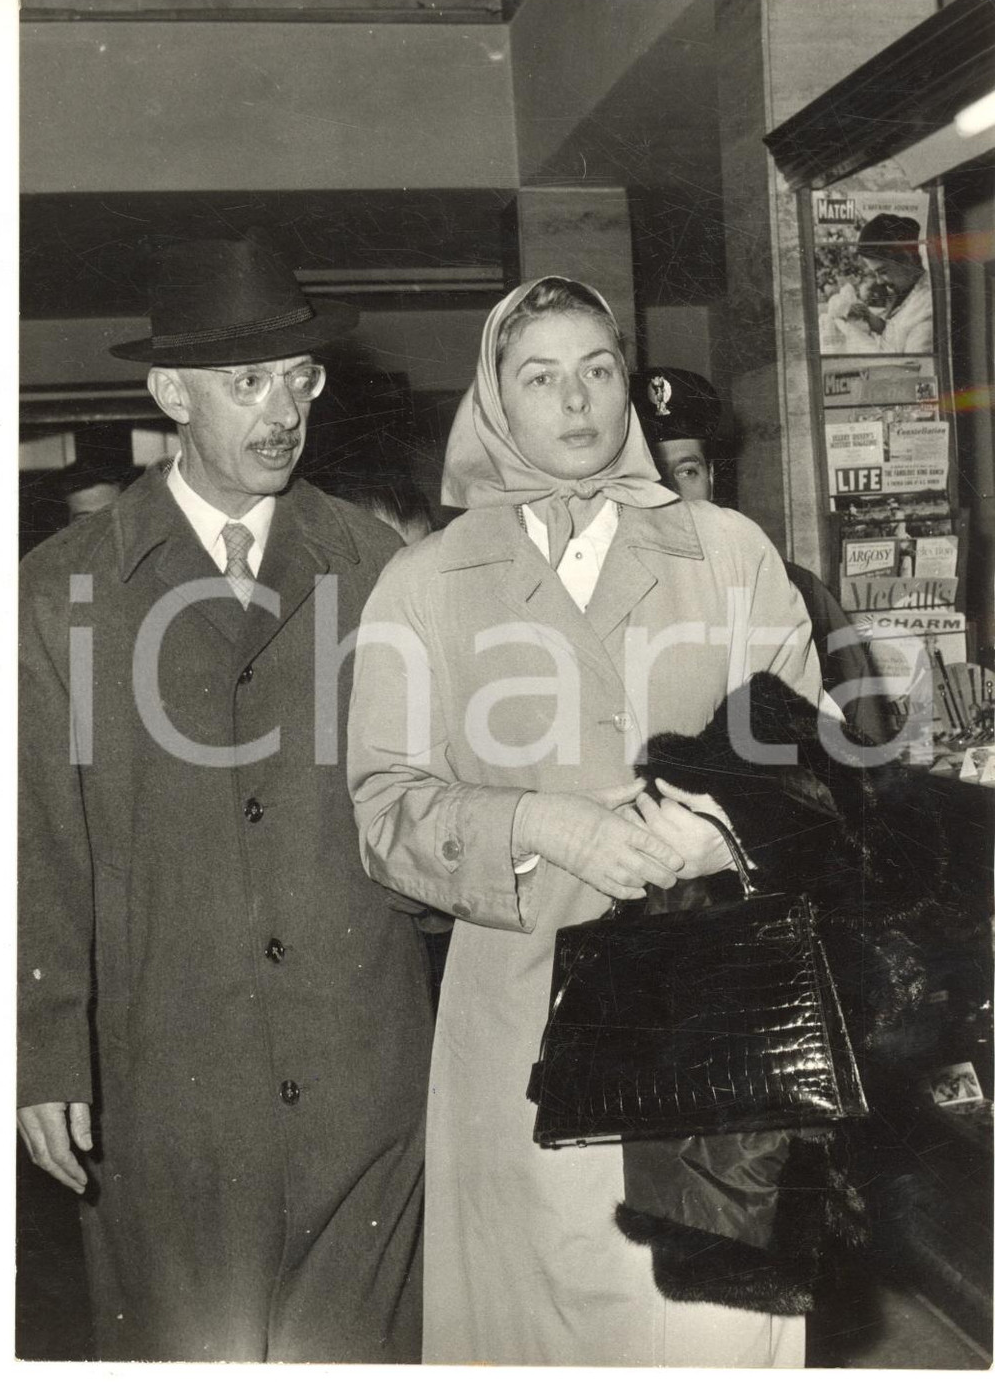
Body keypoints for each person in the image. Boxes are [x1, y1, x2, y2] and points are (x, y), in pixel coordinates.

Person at [347, 276, 826, 1366]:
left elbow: (822, 756)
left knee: (707, 1323)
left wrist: (726, 833)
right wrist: (540, 824)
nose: (575, 401)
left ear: (626, 386)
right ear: (494, 400)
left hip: (717, 1009)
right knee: (542, 1319)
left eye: (597, 370)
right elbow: (384, 808)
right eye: (540, 376)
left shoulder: (728, 551)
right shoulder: (424, 583)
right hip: (523, 1009)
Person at [17, 233, 433, 1363]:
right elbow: (35, 839)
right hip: (164, 1082)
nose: (283, 411)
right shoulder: (61, 589)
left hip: (364, 1067)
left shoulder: (377, 566)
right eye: (247, 381)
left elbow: (428, 790)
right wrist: (41, 1050)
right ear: (170, 395)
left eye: (299, 377)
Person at [631, 365, 892, 746]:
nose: (672, 494)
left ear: (712, 477)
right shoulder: (603, 593)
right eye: (653, 477)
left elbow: (864, 740)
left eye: (687, 472)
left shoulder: (795, 587)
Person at [831, 213, 932, 353]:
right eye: (875, 274)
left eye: (883, 271)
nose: (879, 281)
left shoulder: (926, 312)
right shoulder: (909, 292)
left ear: (907, 259)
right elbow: (896, 333)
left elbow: (914, 362)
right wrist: (868, 317)